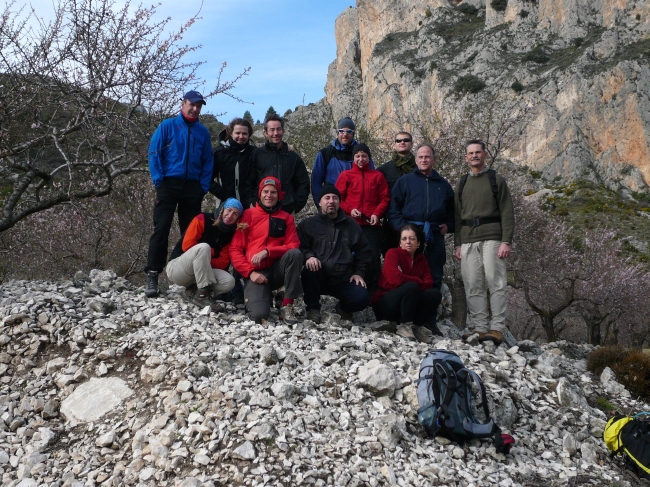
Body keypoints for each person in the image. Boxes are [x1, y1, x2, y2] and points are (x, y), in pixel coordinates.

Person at [145, 90, 213, 297]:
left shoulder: (203, 132)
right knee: (161, 227)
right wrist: (159, 180)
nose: (195, 109)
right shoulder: (167, 126)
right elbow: (154, 153)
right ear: (183, 104)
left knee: (191, 232)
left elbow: (208, 160)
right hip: (168, 184)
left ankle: (189, 278)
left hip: (192, 187)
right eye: (192, 104)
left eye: (199, 106)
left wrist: (203, 187)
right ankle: (153, 274)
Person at [454, 140, 515, 346]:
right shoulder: (462, 183)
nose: (474, 156)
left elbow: (507, 211)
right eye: (470, 153)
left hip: (493, 237)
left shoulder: (495, 180)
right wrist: (458, 244)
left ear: (485, 154)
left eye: (478, 152)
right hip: (468, 239)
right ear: (466, 157)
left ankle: (497, 328)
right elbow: (457, 216)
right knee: (472, 283)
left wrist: (506, 241)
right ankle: (480, 328)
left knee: (495, 282)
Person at [230, 177, 304, 323]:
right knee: (259, 316)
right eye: (266, 192)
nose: (269, 195)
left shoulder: (287, 218)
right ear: (260, 193)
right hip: (255, 272)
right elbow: (235, 249)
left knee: (295, 254)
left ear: (279, 195)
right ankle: (264, 296)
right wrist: (250, 273)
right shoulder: (248, 215)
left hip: (277, 271)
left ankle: (287, 304)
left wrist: (268, 251)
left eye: (273, 192)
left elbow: (293, 245)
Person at [297, 183, 373, 324]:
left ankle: (343, 309)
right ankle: (313, 309)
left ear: (339, 202)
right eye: (327, 198)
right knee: (310, 270)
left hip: (343, 277)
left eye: (335, 198)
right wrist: (309, 256)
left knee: (362, 298)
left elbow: (364, 251)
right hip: (318, 276)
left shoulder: (351, 225)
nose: (331, 201)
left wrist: (359, 273)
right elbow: (299, 246)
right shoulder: (308, 224)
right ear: (320, 202)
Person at [388, 143, 455, 291]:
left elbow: (452, 210)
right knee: (408, 275)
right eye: (421, 157)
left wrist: (449, 225)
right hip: (410, 236)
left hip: (434, 236)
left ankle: (432, 305)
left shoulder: (443, 185)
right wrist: (404, 230)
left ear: (434, 160)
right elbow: (393, 209)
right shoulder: (405, 181)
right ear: (416, 160)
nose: (424, 160)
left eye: (427, 157)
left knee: (434, 277)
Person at [209, 117, 256, 305]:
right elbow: (208, 179)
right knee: (223, 245)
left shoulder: (253, 153)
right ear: (230, 132)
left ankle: (238, 290)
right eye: (238, 133)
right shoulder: (219, 152)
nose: (241, 136)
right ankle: (220, 288)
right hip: (225, 208)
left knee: (241, 247)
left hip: (246, 208)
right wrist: (224, 196)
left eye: (245, 133)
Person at [166, 198, 243, 311]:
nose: (230, 215)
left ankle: (193, 292)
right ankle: (203, 295)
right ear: (222, 209)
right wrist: (210, 253)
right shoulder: (203, 219)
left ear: (238, 218)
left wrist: (203, 261)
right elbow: (187, 245)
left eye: (235, 214)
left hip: (201, 274)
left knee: (229, 281)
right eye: (229, 210)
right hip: (178, 269)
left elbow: (223, 263)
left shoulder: (231, 235)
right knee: (204, 248)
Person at [372, 224, 442, 343]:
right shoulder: (392, 254)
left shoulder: (422, 259)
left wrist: (404, 278)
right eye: (404, 239)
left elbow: (429, 283)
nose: (408, 242)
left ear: (418, 242)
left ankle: (415, 327)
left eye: (412, 238)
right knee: (411, 287)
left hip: (409, 303)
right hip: (386, 302)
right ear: (400, 243)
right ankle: (405, 326)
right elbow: (395, 279)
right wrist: (417, 280)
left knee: (434, 294)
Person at [335, 143, 389, 291]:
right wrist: (350, 210)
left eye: (364, 156)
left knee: (372, 257)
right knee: (347, 255)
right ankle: (349, 289)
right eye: (357, 156)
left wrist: (377, 214)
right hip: (350, 224)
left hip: (371, 225)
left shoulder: (377, 176)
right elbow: (338, 199)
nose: (361, 159)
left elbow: (385, 198)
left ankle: (373, 292)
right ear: (353, 158)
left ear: (369, 158)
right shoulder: (346, 175)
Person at [244, 114, 310, 214]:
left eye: (278, 129)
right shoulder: (257, 155)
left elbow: (303, 183)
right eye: (272, 130)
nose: (276, 133)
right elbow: (248, 182)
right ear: (265, 133)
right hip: (260, 211)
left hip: (287, 210)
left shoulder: (293, 157)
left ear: (283, 131)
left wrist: (296, 205)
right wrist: (252, 203)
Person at [311, 117, 374, 203]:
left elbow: (371, 178)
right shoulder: (325, 154)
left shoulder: (362, 155)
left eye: (349, 131)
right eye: (341, 131)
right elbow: (316, 183)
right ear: (337, 133)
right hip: (333, 203)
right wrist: (320, 205)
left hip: (357, 204)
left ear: (353, 134)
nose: (345, 134)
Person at [378, 131, 416, 254]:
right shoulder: (384, 170)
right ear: (394, 145)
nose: (402, 142)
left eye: (406, 140)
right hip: (391, 224)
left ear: (412, 144)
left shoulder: (420, 168)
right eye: (398, 140)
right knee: (391, 258)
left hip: (415, 221)